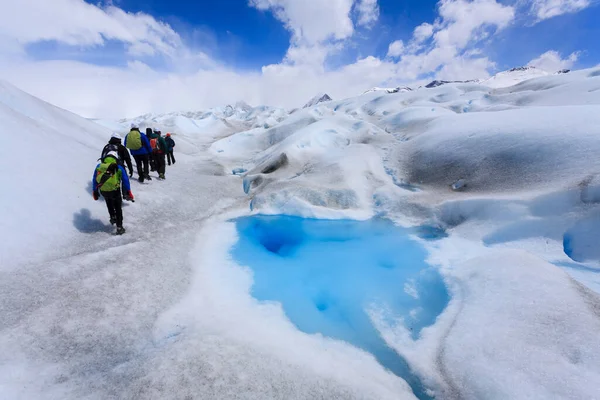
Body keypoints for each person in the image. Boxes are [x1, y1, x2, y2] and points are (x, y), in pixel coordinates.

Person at [92, 151, 134, 235]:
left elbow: (94, 179)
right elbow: (125, 180)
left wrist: (95, 191)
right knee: (118, 208)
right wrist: (128, 191)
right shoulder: (118, 167)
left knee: (108, 202)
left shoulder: (99, 166)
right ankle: (119, 227)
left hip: (104, 190)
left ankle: (112, 217)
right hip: (115, 190)